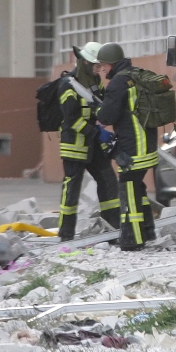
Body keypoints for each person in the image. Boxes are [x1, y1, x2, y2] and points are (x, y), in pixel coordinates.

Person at [93, 43, 157, 251]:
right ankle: (148, 230)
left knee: (128, 189)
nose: (102, 70)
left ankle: (133, 240)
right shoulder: (135, 76)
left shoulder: (118, 83)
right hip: (148, 145)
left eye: (103, 65)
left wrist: (98, 109)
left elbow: (107, 116)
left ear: (111, 64)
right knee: (138, 188)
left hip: (133, 148)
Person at [57, 42, 120, 241]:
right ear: (84, 62)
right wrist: (97, 133)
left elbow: (99, 107)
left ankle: (113, 229)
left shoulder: (95, 82)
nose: (98, 69)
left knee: (108, 181)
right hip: (74, 146)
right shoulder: (68, 85)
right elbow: (72, 120)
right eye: (95, 65)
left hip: (93, 145)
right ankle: (65, 235)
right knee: (72, 189)